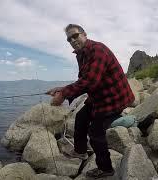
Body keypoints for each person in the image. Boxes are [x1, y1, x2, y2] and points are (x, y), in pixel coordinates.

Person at [46, 24, 134, 179]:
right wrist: (62, 88)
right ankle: (80, 152)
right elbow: (83, 79)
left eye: (75, 35)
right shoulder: (82, 54)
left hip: (114, 99)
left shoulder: (97, 50)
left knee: (95, 133)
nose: (72, 40)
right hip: (99, 96)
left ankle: (106, 169)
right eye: (69, 39)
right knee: (80, 117)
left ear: (84, 34)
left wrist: (63, 95)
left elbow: (89, 82)